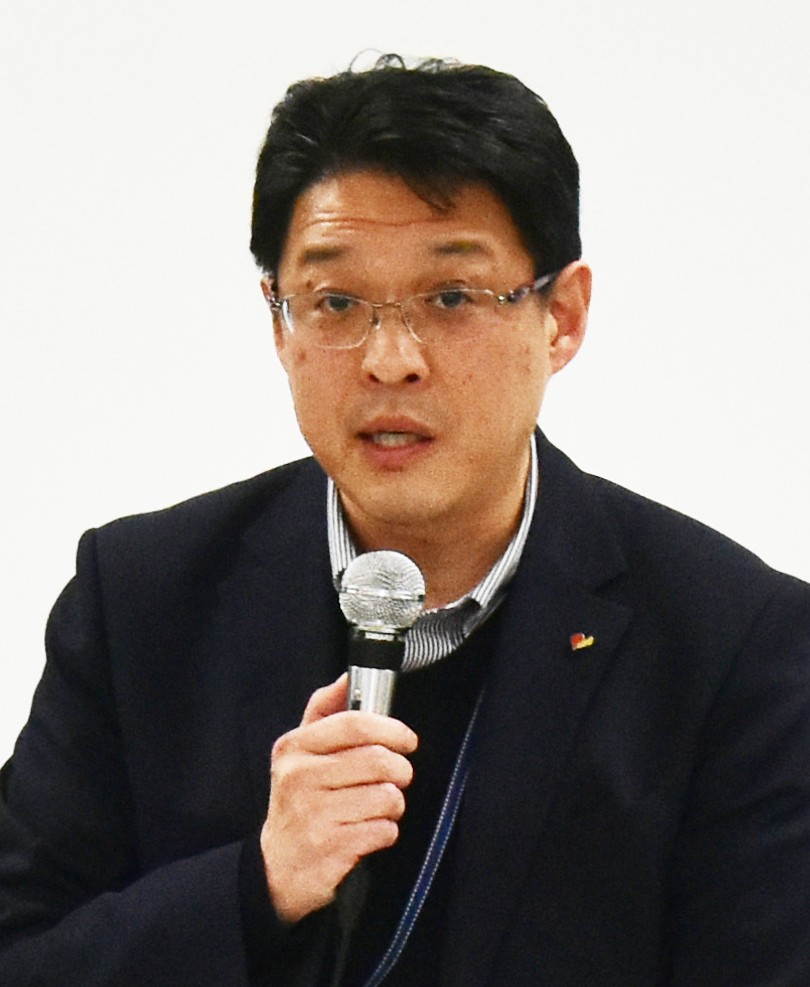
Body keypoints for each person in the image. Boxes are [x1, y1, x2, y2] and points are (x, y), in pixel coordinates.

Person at [1, 54, 809, 987]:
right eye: (337, 302)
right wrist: (254, 887)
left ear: (562, 316)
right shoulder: (141, 601)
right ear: (279, 323)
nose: (390, 359)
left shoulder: (731, 645)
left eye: (451, 298)